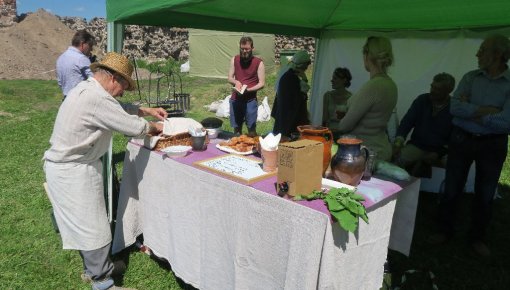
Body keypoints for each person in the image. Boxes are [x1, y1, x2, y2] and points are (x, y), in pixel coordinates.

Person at [44, 52, 167, 290]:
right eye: (123, 86)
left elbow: (118, 107)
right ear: (114, 79)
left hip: (71, 166)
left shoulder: (90, 91)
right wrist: (157, 127)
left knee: (87, 223)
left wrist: (148, 110)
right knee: (94, 227)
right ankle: (103, 282)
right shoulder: (96, 99)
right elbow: (132, 127)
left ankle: (95, 269)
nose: (122, 92)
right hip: (73, 170)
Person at [428, 34, 510, 258]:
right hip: (462, 138)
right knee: (452, 187)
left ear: (498, 54)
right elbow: (455, 109)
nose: (477, 54)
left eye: (482, 50)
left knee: (485, 192)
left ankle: (477, 237)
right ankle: (444, 230)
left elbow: (507, 121)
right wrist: (488, 111)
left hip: (492, 144)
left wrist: (471, 109)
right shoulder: (470, 77)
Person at [336, 36, 397, 161]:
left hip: (366, 153)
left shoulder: (373, 86)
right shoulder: (391, 85)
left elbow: (344, 126)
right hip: (381, 148)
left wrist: (342, 120)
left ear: (367, 55)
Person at [392, 73, 455, 176]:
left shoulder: (454, 107)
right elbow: (407, 122)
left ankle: (450, 191)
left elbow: (455, 137)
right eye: (432, 87)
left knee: (456, 166)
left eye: (438, 89)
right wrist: (398, 142)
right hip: (418, 146)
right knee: (396, 160)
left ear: (448, 90)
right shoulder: (422, 100)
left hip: (442, 150)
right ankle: (396, 189)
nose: (433, 91)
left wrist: (439, 153)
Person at [227, 36, 265, 136]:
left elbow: (262, 83)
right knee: (237, 131)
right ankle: (237, 149)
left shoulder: (259, 63)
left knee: (251, 130)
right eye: (242, 48)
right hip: (236, 99)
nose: (244, 51)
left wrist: (249, 90)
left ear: (252, 48)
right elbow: (229, 77)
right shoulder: (234, 59)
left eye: (247, 49)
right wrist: (236, 82)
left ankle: (253, 149)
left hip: (250, 100)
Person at [272, 50, 312, 138]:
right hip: (289, 119)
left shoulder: (291, 75)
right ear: (302, 64)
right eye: (306, 65)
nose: (307, 67)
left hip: (288, 116)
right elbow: (297, 99)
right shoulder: (290, 78)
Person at [56, 30, 96, 99]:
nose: (91, 49)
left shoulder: (60, 58)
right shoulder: (82, 58)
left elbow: (60, 82)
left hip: (66, 100)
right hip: (80, 99)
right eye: (90, 45)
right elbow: (95, 81)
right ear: (83, 44)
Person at [322, 67, 353, 140]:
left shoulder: (351, 98)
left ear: (344, 80)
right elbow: (324, 119)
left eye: (335, 78)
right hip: (330, 133)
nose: (331, 80)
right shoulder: (327, 95)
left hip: (344, 134)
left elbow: (351, 121)